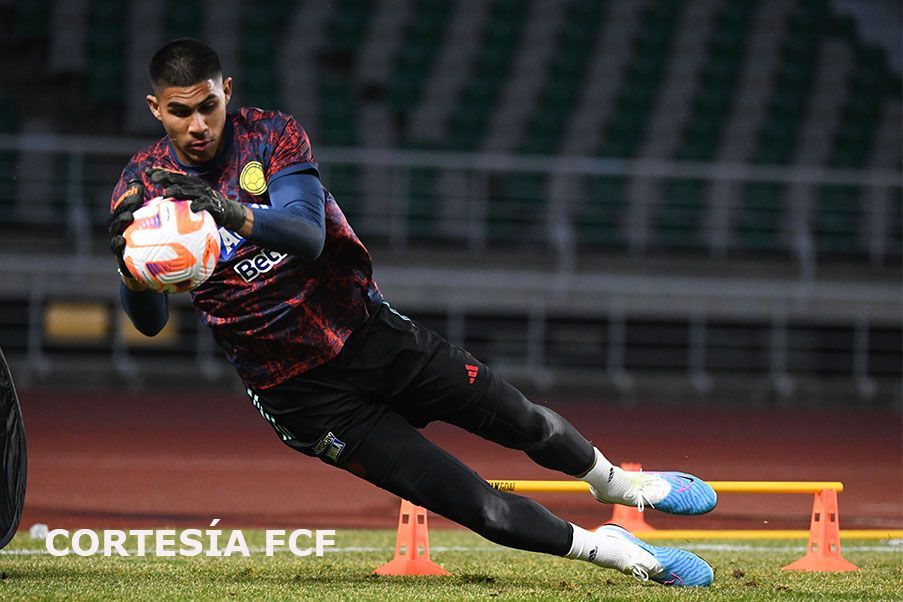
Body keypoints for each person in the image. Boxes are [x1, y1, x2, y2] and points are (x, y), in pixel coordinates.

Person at [109, 39, 716, 587]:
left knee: (522, 419)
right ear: (155, 109)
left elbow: (307, 234)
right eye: (180, 112)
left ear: (227, 93)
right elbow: (149, 323)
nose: (197, 125)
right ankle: (612, 550)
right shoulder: (142, 193)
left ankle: (619, 484)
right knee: (477, 506)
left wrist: (226, 211)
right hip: (300, 394)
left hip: (369, 332)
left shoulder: (271, 136)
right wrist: (130, 269)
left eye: (207, 106)